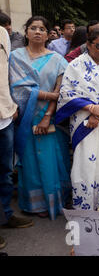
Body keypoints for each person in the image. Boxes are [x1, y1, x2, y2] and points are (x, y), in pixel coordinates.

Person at [55, 29, 99, 211]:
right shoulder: (75, 65)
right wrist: (91, 109)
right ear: (88, 45)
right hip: (83, 119)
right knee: (85, 162)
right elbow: (66, 93)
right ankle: (86, 207)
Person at [9, 16, 71, 220]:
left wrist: (47, 115)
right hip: (24, 118)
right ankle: (32, 204)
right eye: (33, 28)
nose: (37, 32)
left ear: (47, 34)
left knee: (49, 160)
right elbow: (16, 89)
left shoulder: (58, 60)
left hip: (48, 119)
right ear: (26, 32)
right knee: (30, 161)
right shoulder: (14, 57)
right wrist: (46, 94)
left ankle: (53, 201)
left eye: (42, 29)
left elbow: (59, 91)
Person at [0, 26, 33, 240]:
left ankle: (5, 215)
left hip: (4, 117)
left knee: (4, 172)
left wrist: (9, 106)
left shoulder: (2, 34)